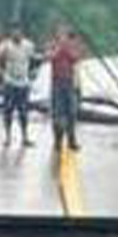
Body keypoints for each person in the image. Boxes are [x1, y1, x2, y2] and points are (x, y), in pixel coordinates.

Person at [0, 24, 37, 148]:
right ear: (11, 33)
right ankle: (7, 137)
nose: (16, 34)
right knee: (8, 110)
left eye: (18, 31)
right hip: (10, 82)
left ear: (22, 32)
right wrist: (1, 73)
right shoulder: (6, 45)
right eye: (14, 32)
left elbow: (34, 60)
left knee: (23, 111)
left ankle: (25, 137)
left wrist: (31, 75)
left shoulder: (28, 45)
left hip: (23, 83)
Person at [48, 24, 84, 154]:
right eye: (60, 34)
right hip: (57, 83)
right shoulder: (52, 45)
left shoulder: (71, 46)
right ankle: (57, 140)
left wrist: (67, 48)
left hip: (69, 83)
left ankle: (71, 140)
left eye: (65, 34)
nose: (63, 37)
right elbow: (50, 57)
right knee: (58, 114)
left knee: (72, 113)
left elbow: (76, 58)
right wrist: (59, 48)